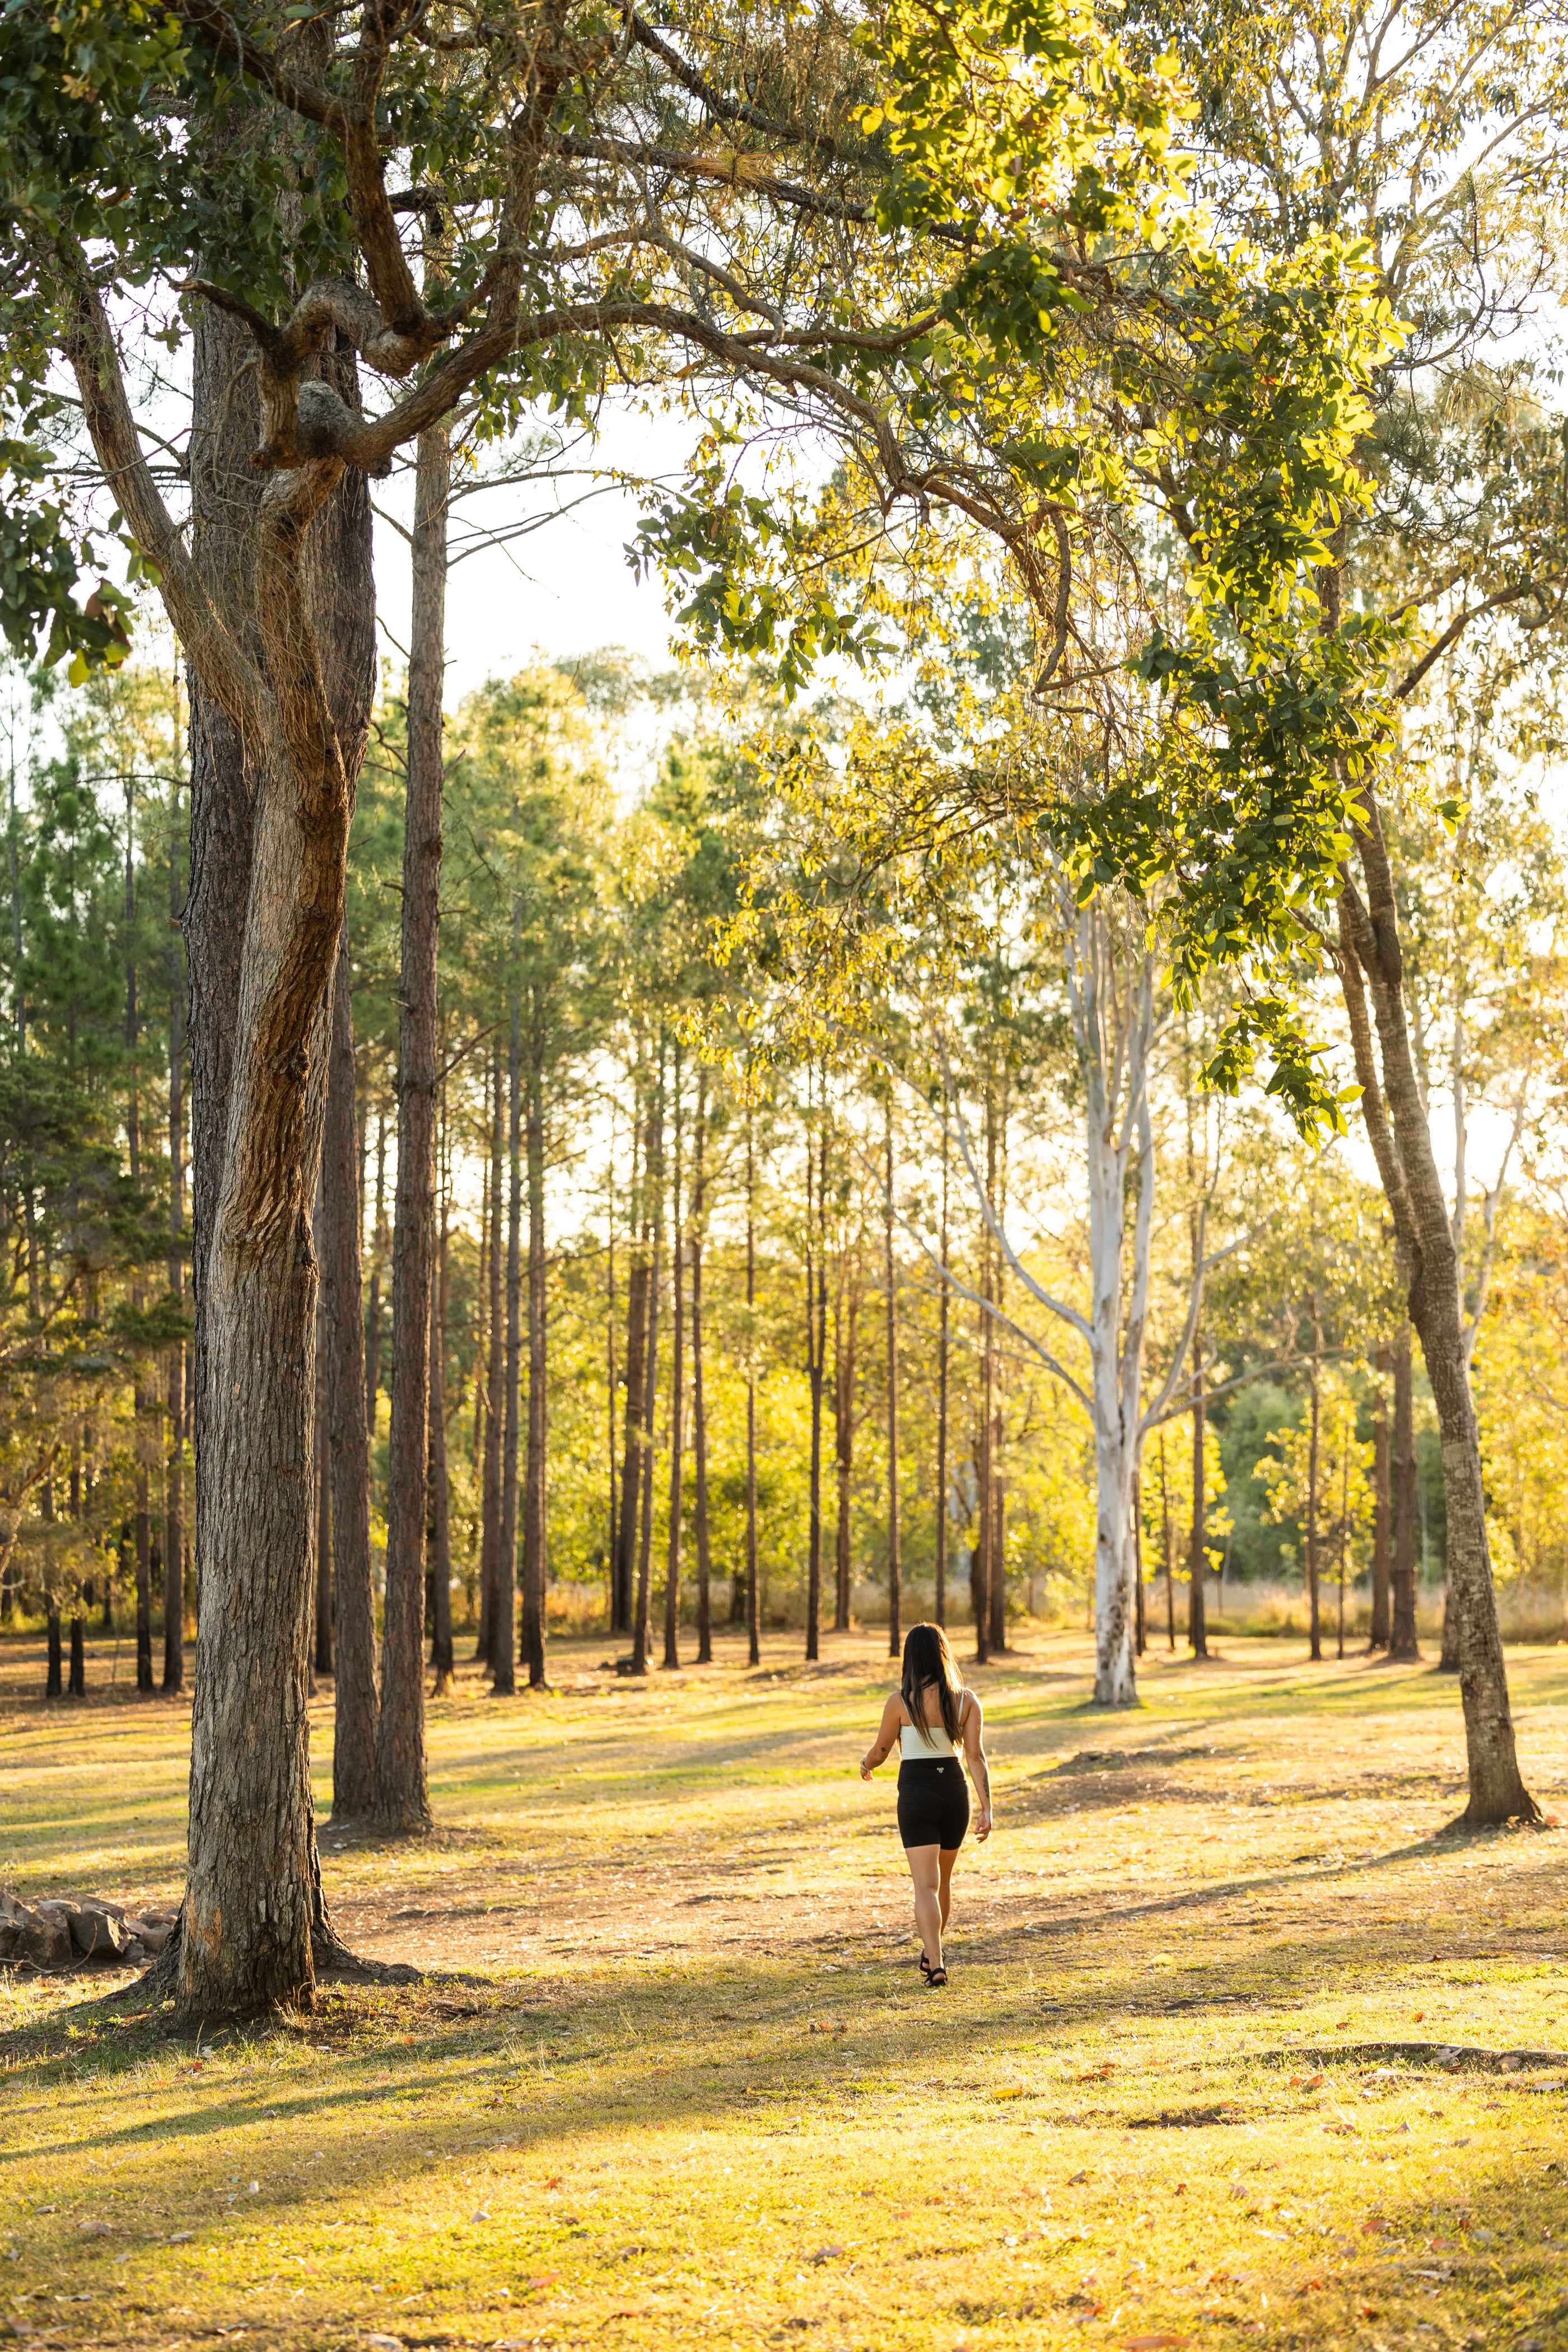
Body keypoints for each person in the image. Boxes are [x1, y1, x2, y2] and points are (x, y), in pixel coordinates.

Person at [859, 1621, 991, 1986]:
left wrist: (865, 1765)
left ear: (910, 1658)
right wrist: (987, 1808)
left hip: (917, 1792)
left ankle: (936, 1963)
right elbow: (976, 1758)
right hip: (954, 1791)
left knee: (925, 1886)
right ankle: (933, 1953)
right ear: (943, 1653)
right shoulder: (966, 1700)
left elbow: (882, 1751)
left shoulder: (901, 1702)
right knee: (942, 1882)